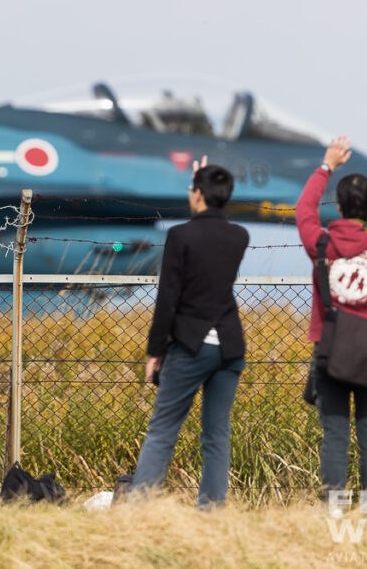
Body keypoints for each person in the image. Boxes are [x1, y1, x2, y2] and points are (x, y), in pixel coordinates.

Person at [296, 136, 367, 515]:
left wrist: (325, 166)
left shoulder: (322, 244)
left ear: (341, 206)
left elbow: (304, 212)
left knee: (335, 434)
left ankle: (332, 505)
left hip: (330, 347)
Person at [130, 163, 250, 508]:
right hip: (229, 345)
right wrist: (205, 178)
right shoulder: (239, 236)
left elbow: (168, 298)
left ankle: (139, 509)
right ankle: (211, 510)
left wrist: (155, 352)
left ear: (196, 193)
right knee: (216, 434)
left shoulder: (180, 236)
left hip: (190, 343)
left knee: (163, 430)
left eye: (191, 189)